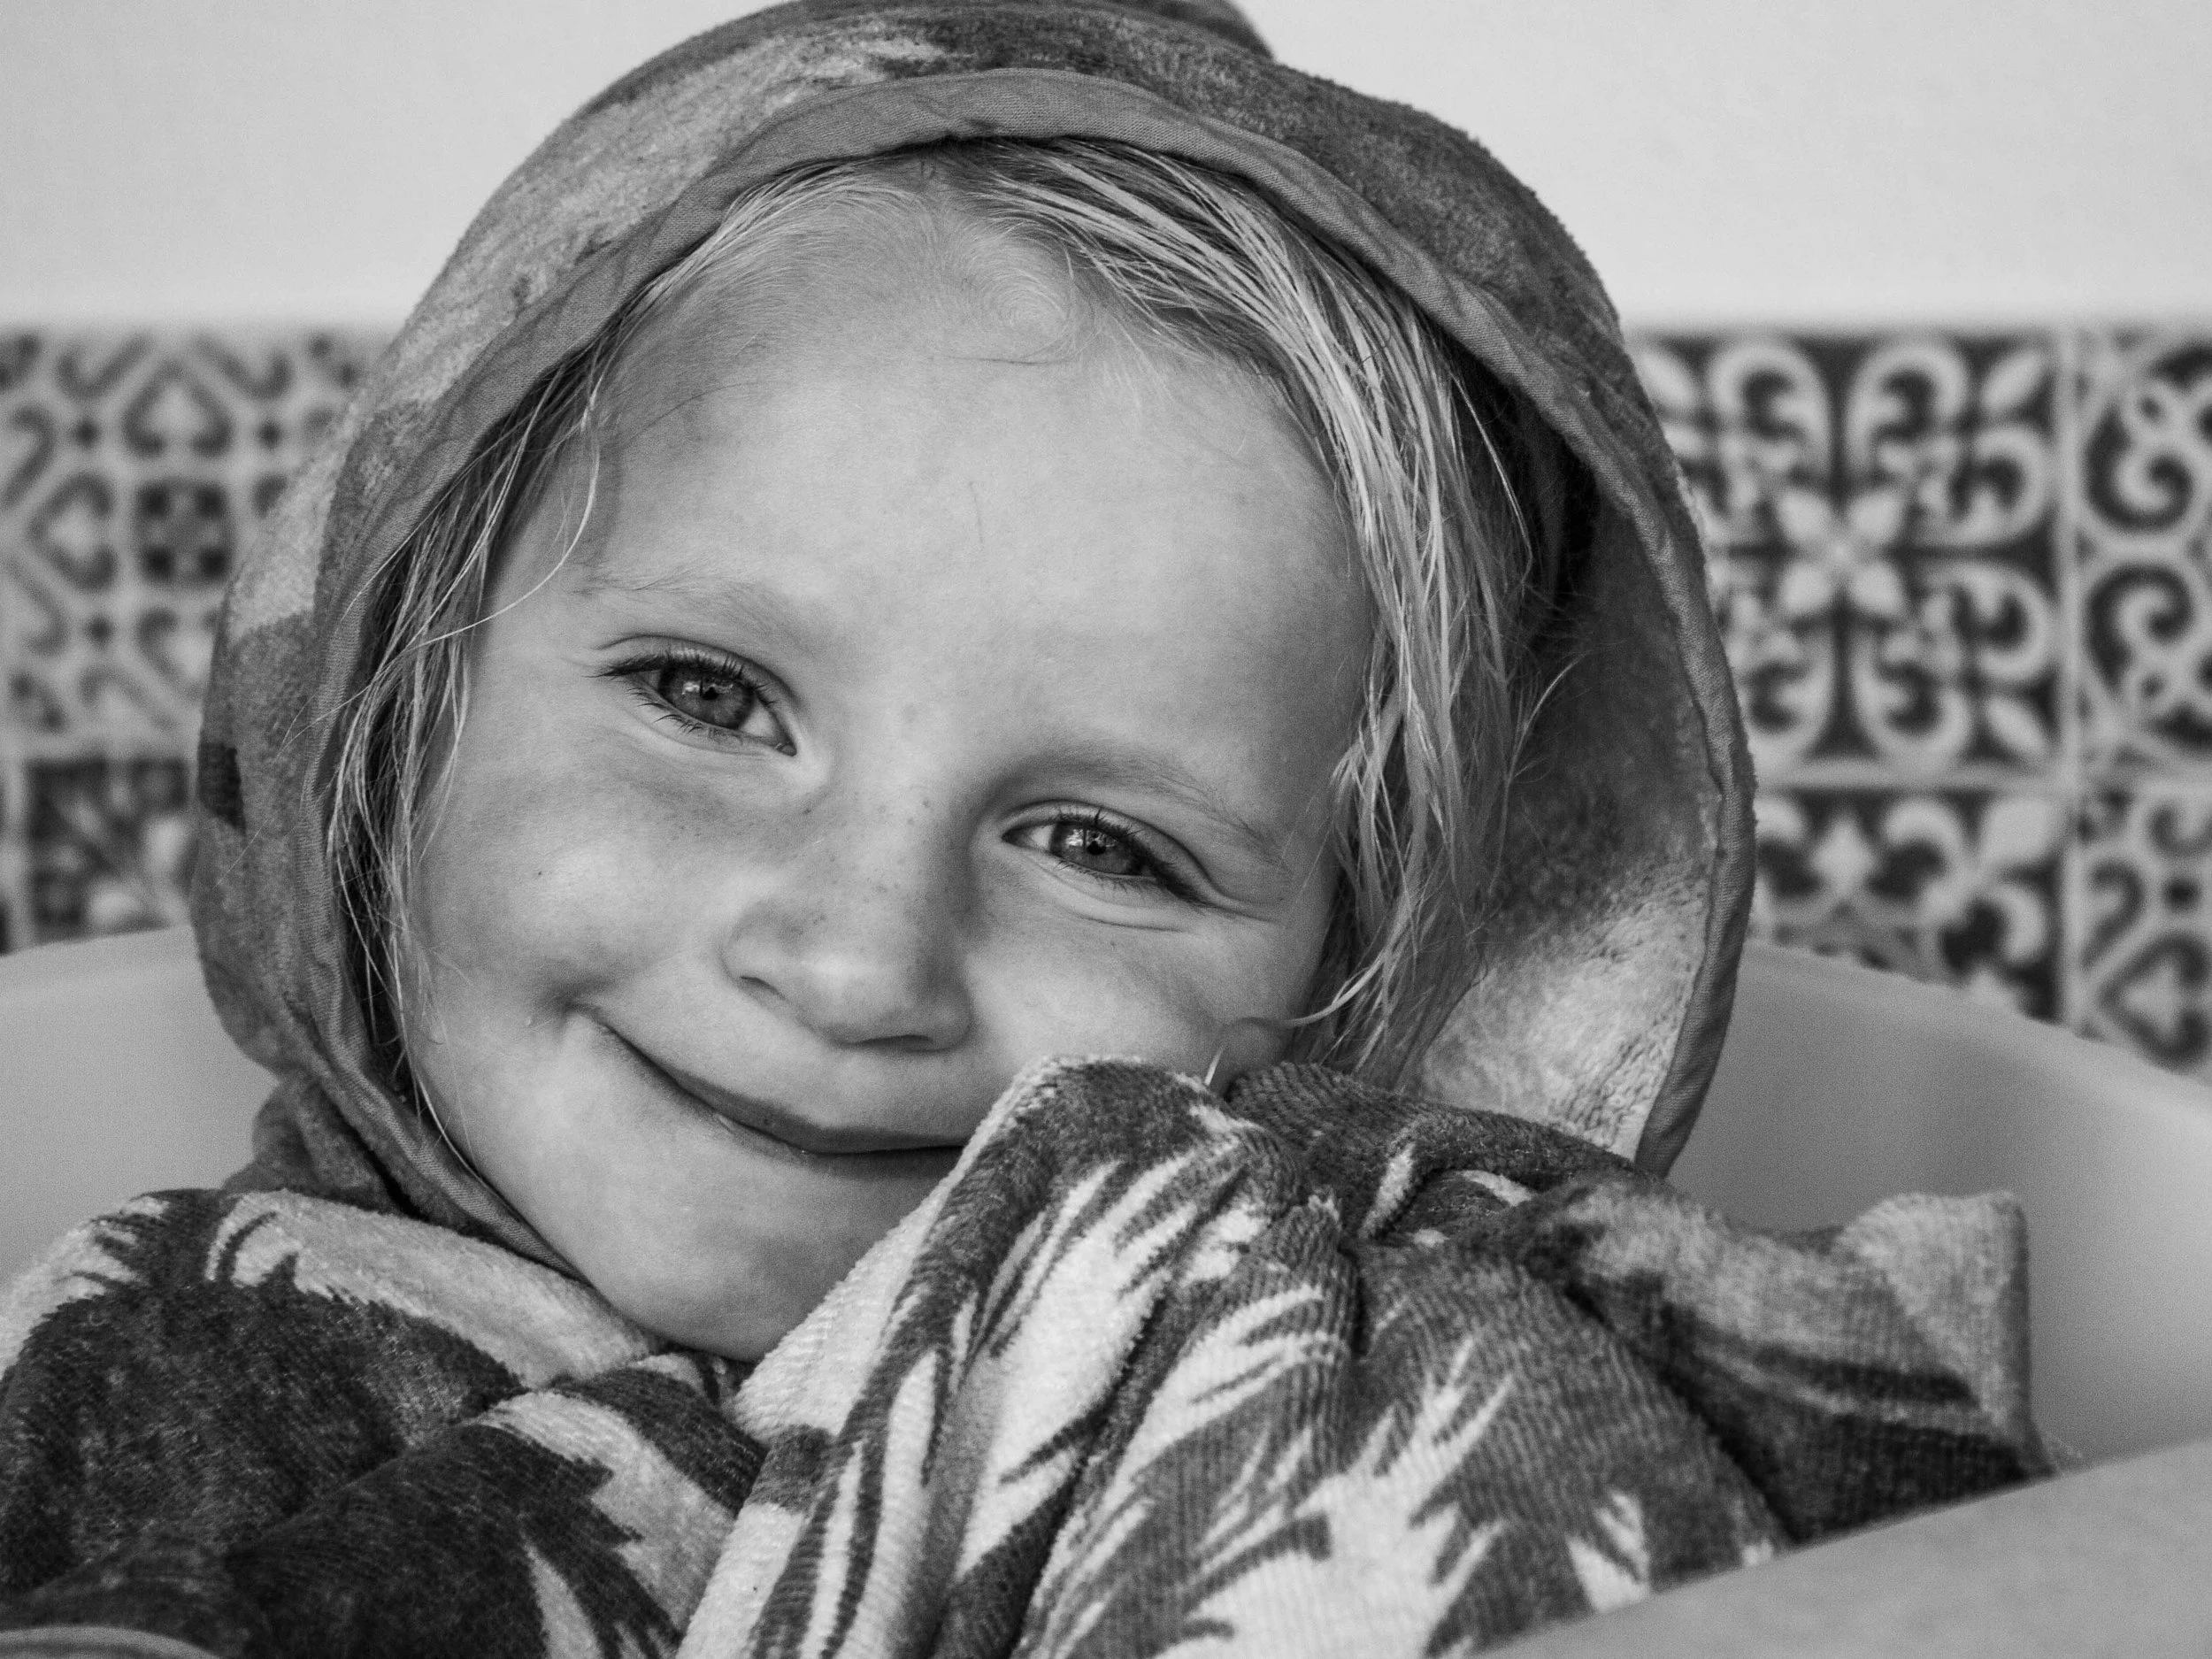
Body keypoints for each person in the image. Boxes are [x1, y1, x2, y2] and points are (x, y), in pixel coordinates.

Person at [0, 3, 2049, 1654]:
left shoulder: (1343, 1376)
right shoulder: (157, 1367)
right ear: (387, 709)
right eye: (707, 697)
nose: (853, 960)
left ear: (1355, 989)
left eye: (1099, 844)